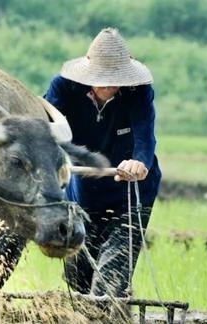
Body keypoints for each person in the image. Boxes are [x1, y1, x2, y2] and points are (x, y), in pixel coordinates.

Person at [43, 27, 161, 299]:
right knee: (77, 275)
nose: (108, 85)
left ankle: (109, 308)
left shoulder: (138, 93)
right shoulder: (64, 87)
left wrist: (139, 163)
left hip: (130, 193)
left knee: (109, 280)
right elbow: (45, 126)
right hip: (81, 189)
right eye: (101, 78)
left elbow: (145, 134)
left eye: (114, 79)